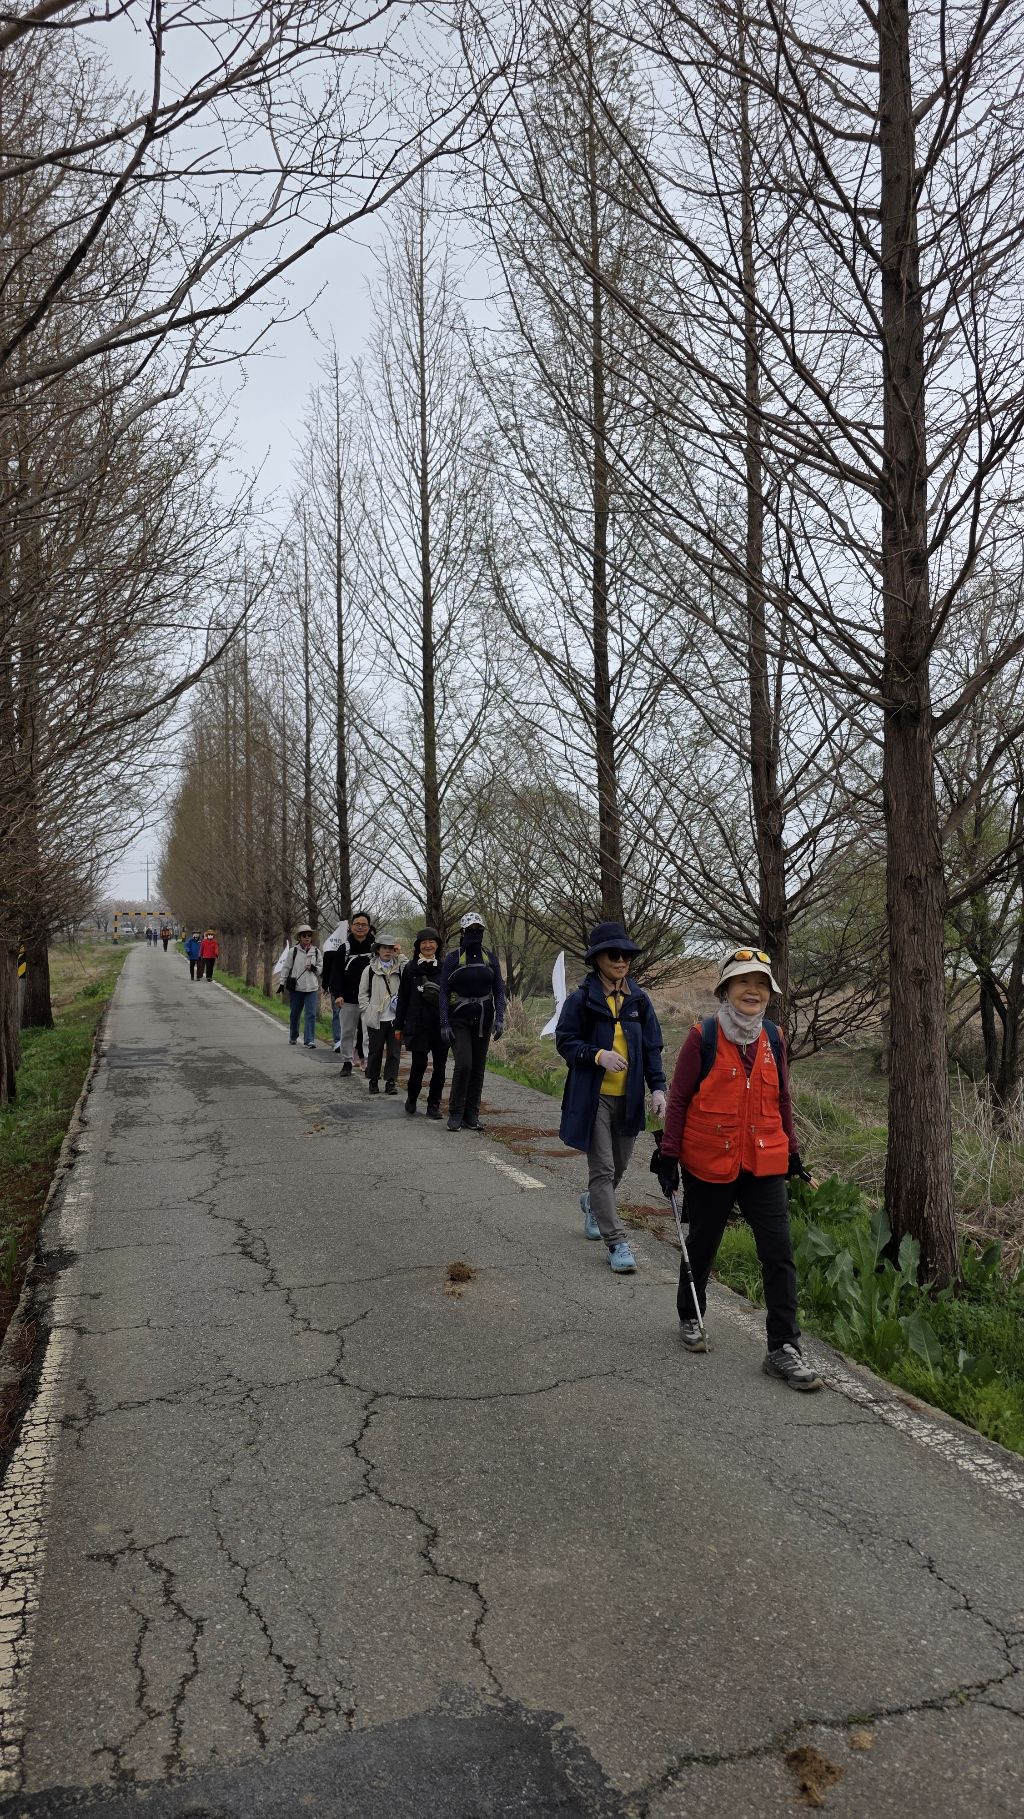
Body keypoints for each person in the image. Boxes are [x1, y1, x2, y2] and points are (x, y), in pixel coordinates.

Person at [656, 945, 823, 1391]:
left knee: (778, 1252)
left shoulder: (774, 1037)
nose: (753, 990)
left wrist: (792, 1153)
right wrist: (669, 1156)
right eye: (743, 981)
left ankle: (783, 1347)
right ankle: (691, 1314)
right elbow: (679, 1100)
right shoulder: (703, 1036)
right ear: (725, 989)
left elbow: (782, 1098)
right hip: (709, 1161)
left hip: (764, 1162)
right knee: (703, 1243)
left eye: (761, 984)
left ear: (770, 993)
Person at [555, 921, 667, 1275]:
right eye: (613, 955)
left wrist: (658, 1088)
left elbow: (652, 1048)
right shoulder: (581, 1000)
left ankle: (593, 1203)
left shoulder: (639, 1000)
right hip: (594, 1099)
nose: (621, 961)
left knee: (618, 1168)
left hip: (629, 1098)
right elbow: (565, 1041)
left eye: (626, 955)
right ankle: (617, 1242)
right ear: (597, 959)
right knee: (602, 1169)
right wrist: (597, 1055)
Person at [439, 913, 506, 1132]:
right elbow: (443, 993)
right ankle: (455, 1113)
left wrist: (500, 1019)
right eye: (470, 930)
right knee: (464, 1064)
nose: (475, 934)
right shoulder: (453, 958)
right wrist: (444, 1023)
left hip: (484, 1019)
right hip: (459, 1019)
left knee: (478, 1068)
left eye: (479, 930)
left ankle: (471, 1114)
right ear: (462, 932)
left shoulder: (490, 957)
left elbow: (498, 990)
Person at [394, 927, 447, 1118]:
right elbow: (403, 998)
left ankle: (433, 1105)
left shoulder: (445, 967)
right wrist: (398, 1026)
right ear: (418, 946)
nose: (428, 945)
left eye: (432, 942)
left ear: (437, 945)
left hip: (440, 1024)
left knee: (440, 1067)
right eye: (424, 942)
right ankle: (412, 1097)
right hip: (417, 1024)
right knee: (419, 1064)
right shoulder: (410, 968)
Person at [324, 911, 375, 1075]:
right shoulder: (344, 948)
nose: (360, 927)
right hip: (348, 997)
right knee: (347, 1031)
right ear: (351, 927)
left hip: (370, 998)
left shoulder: (376, 948)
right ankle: (347, 1061)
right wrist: (337, 994)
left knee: (368, 1033)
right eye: (357, 924)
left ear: (369, 927)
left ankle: (367, 1062)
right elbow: (336, 973)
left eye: (364, 924)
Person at [358, 933, 406, 1094]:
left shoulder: (400, 968)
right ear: (378, 950)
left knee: (394, 1053)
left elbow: (409, 968)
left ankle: (391, 1082)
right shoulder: (369, 970)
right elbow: (362, 994)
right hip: (376, 1018)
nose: (388, 951)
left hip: (395, 1019)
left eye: (391, 948)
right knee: (375, 1051)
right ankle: (373, 1080)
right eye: (384, 948)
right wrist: (368, 1011)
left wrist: (400, 955)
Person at [275, 924, 322, 1048]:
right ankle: (293, 1035)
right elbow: (286, 968)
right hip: (297, 988)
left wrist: (314, 968)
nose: (307, 938)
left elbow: (321, 968)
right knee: (295, 1014)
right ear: (299, 937)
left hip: (312, 988)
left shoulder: (316, 951)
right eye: (304, 935)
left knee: (311, 1014)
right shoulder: (293, 951)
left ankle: (309, 1040)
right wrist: (282, 983)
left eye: (309, 935)